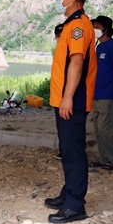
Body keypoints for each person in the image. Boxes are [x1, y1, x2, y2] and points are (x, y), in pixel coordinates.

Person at [44, 0, 97, 224]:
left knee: (73, 151)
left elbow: (76, 62)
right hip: (64, 99)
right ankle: (68, 193)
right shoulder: (70, 24)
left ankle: (75, 205)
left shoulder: (79, 25)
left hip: (73, 100)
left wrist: (67, 97)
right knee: (67, 149)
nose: (59, 0)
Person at [88, 15, 113, 171]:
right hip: (97, 94)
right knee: (99, 129)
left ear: (106, 29)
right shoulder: (99, 47)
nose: (94, 29)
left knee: (106, 129)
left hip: (108, 95)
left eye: (96, 26)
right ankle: (105, 159)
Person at [53, 23, 64, 160]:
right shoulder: (59, 49)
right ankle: (63, 150)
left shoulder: (68, 48)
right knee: (62, 127)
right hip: (58, 95)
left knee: (67, 126)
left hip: (66, 96)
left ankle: (67, 152)